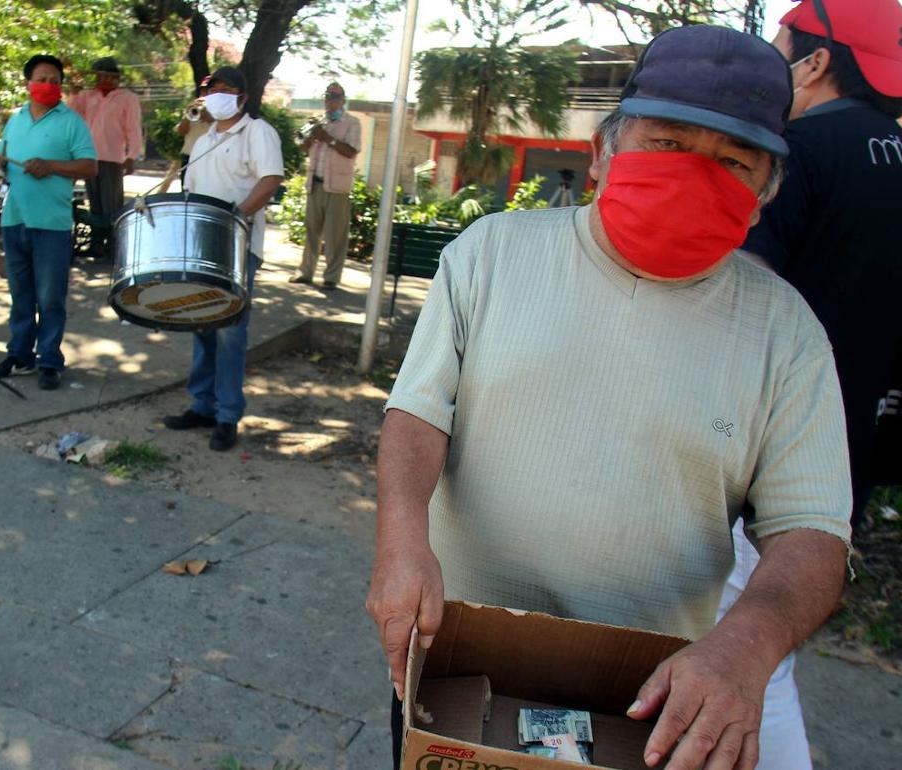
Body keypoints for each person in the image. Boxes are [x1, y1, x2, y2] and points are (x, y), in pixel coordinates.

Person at [365, 25, 852, 770]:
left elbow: (812, 533)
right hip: (456, 653)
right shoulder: (490, 255)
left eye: (732, 162)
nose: (694, 175)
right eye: (667, 143)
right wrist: (400, 538)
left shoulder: (787, 334)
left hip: (653, 694)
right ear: (602, 152)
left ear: (764, 196)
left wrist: (748, 647)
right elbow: (419, 414)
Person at [743, 0, 902, 528]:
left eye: (777, 54)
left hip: (767, 444)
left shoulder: (795, 150)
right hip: (855, 451)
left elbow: (745, 285)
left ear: (814, 64)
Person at [160, 67, 284, 452]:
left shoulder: (257, 132)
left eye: (227, 89)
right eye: (213, 89)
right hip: (201, 244)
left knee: (230, 329)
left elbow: (270, 180)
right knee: (201, 322)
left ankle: (228, 415)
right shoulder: (203, 140)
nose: (218, 95)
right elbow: (192, 193)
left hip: (238, 245)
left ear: (242, 98)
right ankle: (202, 405)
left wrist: (237, 216)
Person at [0, 55, 97, 391]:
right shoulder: (15, 119)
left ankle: (49, 360)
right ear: (28, 84)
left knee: (50, 298)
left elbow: (90, 166)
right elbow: (0, 158)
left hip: (52, 224)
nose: (48, 85)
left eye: (54, 80)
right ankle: (19, 355)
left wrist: (51, 165)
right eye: (42, 79)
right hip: (14, 217)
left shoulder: (72, 122)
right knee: (20, 295)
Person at [71, 57, 143, 258]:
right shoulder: (87, 95)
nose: (106, 80)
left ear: (117, 78)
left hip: (113, 158)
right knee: (94, 203)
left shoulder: (127, 98)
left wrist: (132, 155)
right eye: (101, 76)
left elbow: (133, 128)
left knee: (112, 205)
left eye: (110, 76)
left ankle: (114, 245)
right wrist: (74, 93)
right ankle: (96, 243)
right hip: (89, 157)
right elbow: (72, 114)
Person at [291, 83, 361, 290]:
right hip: (315, 183)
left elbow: (351, 151)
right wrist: (310, 136)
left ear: (343, 100)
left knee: (335, 235)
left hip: (338, 186)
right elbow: (304, 147)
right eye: (328, 97)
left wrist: (327, 138)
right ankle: (305, 272)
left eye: (335, 97)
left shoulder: (352, 123)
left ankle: (331, 277)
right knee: (311, 231)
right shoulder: (319, 121)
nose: (330, 101)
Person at [175, 76, 213, 188]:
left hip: (209, 158)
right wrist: (188, 115)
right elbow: (182, 131)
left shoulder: (221, 111)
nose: (205, 93)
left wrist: (207, 114)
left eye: (209, 90)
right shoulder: (193, 107)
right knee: (186, 191)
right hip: (189, 156)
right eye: (203, 90)